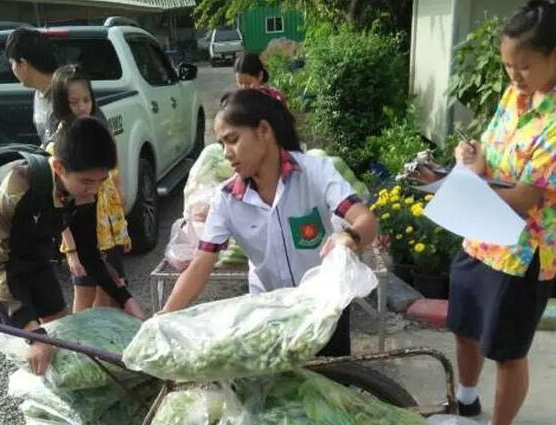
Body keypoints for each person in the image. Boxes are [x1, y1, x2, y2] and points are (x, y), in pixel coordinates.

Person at [416, 2, 556, 424]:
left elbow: (524, 198)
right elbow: (490, 155)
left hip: (521, 252)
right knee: (464, 326)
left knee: (507, 349)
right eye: (508, 66)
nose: (514, 76)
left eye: (525, 66)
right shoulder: (515, 95)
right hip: (479, 236)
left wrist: (466, 182)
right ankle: (467, 399)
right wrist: (471, 157)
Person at [161, 89, 378, 356]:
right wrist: (163, 317)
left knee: (334, 384)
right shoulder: (227, 200)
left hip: (324, 311)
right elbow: (199, 267)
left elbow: (365, 219)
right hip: (269, 317)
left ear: (264, 131)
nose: (227, 154)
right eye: (221, 145)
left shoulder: (315, 172)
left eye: (233, 140)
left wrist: (349, 238)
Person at [0, 117, 141, 376]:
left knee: (58, 322)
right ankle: (34, 385)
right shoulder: (17, 187)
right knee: (27, 334)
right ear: (59, 167)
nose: (94, 191)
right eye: (87, 182)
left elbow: (90, 253)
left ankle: (61, 382)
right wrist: (33, 335)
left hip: (35, 243)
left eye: (101, 181)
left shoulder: (85, 191)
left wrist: (125, 299)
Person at [49, 64, 145, 318]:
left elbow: (114, 168)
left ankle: (103, 341)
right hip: (84, 233)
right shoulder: (61, 147)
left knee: (111, 285)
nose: (82, 107)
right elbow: (60, 211)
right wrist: (71, 252)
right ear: (61, 104)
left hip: (106, 226)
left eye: (86, 100)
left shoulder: (100, 131)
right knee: (86, 288)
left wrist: (119, 190)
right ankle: (81, 344)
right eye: (74, 102)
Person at [5, 28, 58, 147]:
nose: (12, 69)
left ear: (23, 64)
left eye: (12, 63)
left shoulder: (67, 96)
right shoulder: (39, 93)